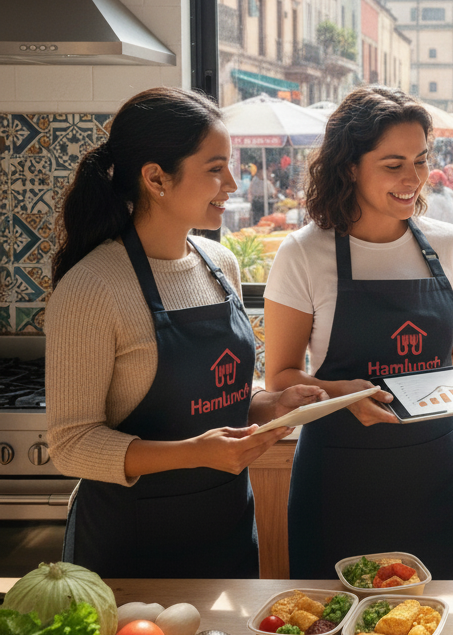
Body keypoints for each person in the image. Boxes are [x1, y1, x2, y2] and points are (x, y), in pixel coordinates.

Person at [45, 87, 325, 578]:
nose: (233, 184)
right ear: (156, 178)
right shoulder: (92, 286)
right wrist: (196, 453)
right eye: (215, 169)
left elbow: (221, 395)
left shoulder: (220, 264)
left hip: (227, 532)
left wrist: (268, 404)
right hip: (130, 549)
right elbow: (72, 443)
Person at [262, 85, 453, 579]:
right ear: (349, 167)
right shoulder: (304, 254)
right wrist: (343, 394)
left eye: (421, 161)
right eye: (393, 164)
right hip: (340, 477)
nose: (413, 179)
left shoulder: (449, 246)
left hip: (436, 471)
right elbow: (278, 377)